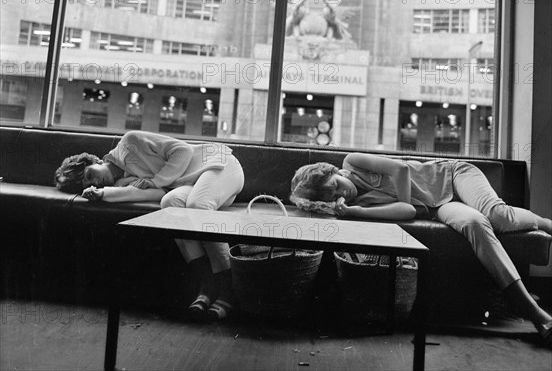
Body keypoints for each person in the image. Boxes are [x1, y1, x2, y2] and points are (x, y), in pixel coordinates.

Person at [290, 153, 552, 344]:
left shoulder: (352, 162)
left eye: (335, 184)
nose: (341, 193)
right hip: (440, 208)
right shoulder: (359, 206)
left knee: (498, 216)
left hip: (453, 176)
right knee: (475, 224)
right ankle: (532, 309)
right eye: (331, 196)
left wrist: (394, 204)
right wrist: (358, 211)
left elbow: (401, 169)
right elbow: (410, 211)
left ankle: (544, 223)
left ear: (334, 171)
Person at [54, 130, 244, 321]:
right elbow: (157, 194)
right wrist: (102, 194)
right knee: (169, 204)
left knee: (197, 205)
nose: (92, 181)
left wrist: (155, 181)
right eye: (85, 184)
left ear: (97, 160)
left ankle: (229, 288)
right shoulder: (122, 182)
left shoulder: (129, 142)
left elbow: (183, 151)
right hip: (193, 184)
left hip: (218, 165)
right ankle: (207, 284)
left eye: (88, 174)